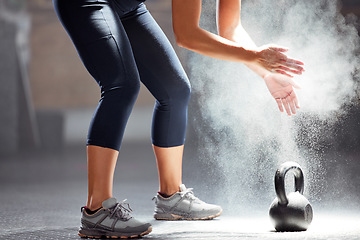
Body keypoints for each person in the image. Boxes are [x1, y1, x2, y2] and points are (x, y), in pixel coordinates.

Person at [53, 0, 304, 238]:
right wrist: (255, 57)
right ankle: (97, 210)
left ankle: (171, 197)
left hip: (127, 6)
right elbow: (187, 35)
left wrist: (267, 73)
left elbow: (230, 28)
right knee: (121, 85)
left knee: (175, 89)